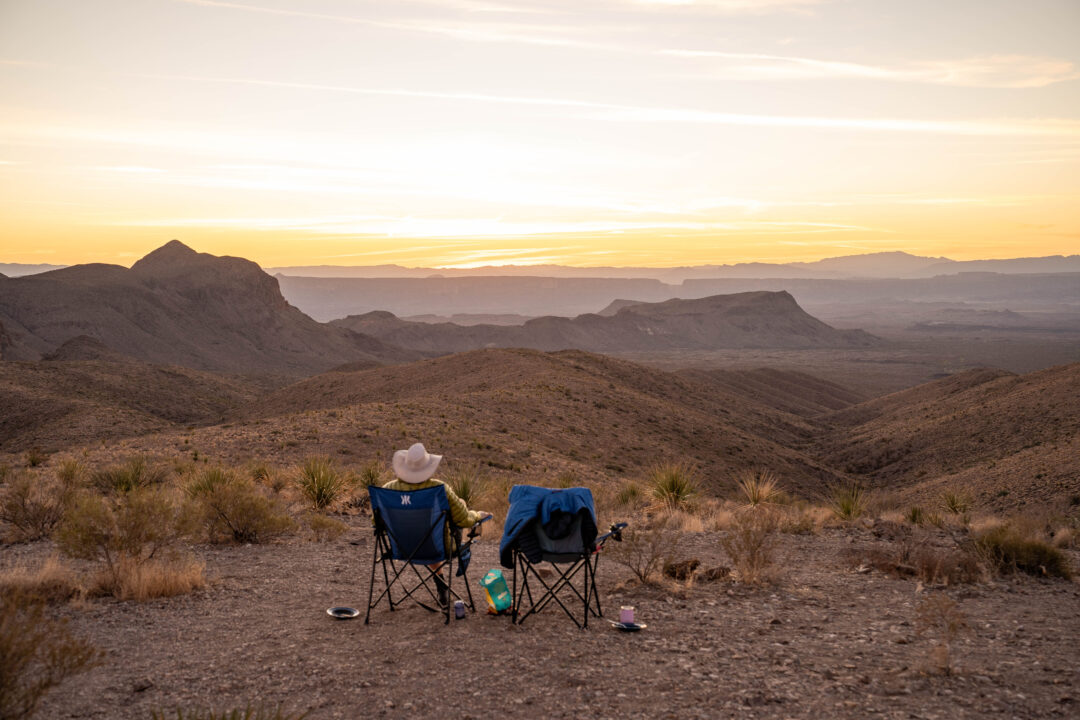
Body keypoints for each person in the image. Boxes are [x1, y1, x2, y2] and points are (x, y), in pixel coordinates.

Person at [383, 442, 492, 605]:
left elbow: (377, 523)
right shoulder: (439, 489)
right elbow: (463, 519)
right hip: (437, 548)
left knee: (426, 531)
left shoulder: (387, 491)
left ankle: (441, 585)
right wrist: (478, 515)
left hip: (401, 549)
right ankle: (442, 586)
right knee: (435, 533)